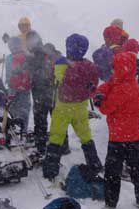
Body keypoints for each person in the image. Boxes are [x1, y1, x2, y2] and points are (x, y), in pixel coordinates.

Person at [94, 51, 139, 209]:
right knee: (137, 168)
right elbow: (107, 85)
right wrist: (99, 92)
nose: (112, 70)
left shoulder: (123, 88)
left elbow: (106, 108)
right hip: (134, 135)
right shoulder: (126, 81)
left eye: (115, 67)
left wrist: (98, 101)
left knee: (113, 171)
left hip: (121, 137)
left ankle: (110, 203)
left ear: (122, 69)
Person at [42, 34, 102, 182]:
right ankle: (94, 164)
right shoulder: (90, 66)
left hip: (63, 106)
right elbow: (94, 84)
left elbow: (57, 79)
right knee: (85, 136)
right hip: (81, 107)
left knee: (56, 136)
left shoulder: (62, 63)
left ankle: (51, 170)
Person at [5, 36, 32, 131]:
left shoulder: (10, 58)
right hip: (23, 88)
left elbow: (9, 74)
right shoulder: (26, 56)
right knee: (22, 110)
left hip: (14, 88)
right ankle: (22, 131)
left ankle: (14, 130)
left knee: (13, 110)